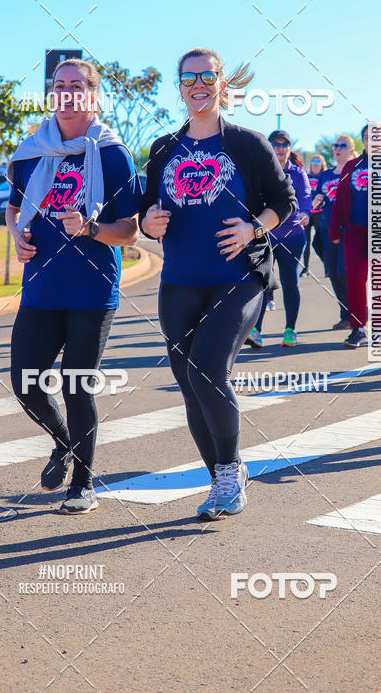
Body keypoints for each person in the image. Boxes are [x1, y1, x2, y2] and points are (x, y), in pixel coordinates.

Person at [139, 47, 296, 520]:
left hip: (239, 277)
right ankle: (221, 478)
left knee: (208, 369)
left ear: (222, 83)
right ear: (179, 86)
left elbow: (282, 201)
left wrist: (254, 228)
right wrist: (150, 223)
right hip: (179, 281)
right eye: (189, 78)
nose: (198, 84)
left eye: (208, 76)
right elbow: (146, 213)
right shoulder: (163, 148)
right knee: (189, 385)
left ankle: (229, 472)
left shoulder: (247, 143)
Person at [6, 59, 141, 515]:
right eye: (59, 85)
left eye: (76, 85)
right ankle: (64, 443)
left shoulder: (111, 154)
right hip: (41, 288)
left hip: (91, 291)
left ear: (93, 95)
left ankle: (83, 483)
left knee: (76, 385)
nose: (66, 92)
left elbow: (129, 232)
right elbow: (13, 208)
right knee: (25, 383)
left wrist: (89, 228)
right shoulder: (30, 150)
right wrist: (17, 235)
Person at [330, 124, 381, 348]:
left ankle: (378, 328)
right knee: (355, 278)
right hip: (355, 231)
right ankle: (358, 329)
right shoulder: (351, 166)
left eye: (377, 137)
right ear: (362, 141)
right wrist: (334, 229)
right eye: (367, 137)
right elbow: (339, 199)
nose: (372, 140)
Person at [248, 130, 311, 348]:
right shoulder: (262, 171)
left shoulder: (298, 173)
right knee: (263, 283)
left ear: (289, 149)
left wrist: (305, 213)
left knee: (290, 283)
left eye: (285, 144)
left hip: (293, 237)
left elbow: (304, 197)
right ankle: (255, 331)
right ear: (269, 147)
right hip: (268, 236)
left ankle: (290, 331)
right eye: (275, 144)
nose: (280, 148)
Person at [312, 134, 357, 330]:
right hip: (327, 229)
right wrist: (317, 199)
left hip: (349, 230)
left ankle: (357, 310)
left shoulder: (355, 172)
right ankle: (346, 315)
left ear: (351, 151)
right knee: (333, 272)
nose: (338, 148)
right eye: (335, 145)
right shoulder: (325, 175)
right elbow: (315, 200)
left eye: (343, 145)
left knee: (343, 272)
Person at [301, 153, 326, 276]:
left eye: (318, 162)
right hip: (307, 214)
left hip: (320, 214)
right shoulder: (305, 176)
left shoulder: (324, 177)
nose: (315, 165)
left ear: (322, 164)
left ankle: (327, 267)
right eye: (314, 162)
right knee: (306, 241)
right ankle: (305, 269)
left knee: (321, 241)